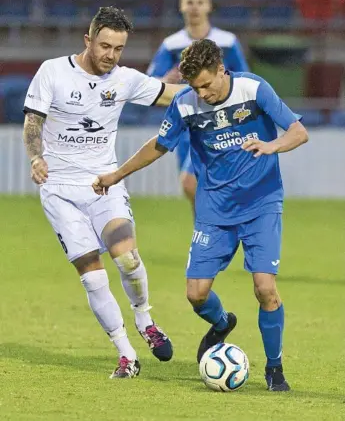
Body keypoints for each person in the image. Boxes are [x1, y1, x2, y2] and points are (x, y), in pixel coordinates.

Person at [92, 39, 309, 391]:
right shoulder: (185, 103)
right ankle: (222, 323)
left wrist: (271, 145)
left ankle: (274, 369)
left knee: (265, 288)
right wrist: (116, 174)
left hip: (261, 203)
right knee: (196, 294)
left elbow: (299, 132)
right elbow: (159, 146)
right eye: (195, 86)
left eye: (207, 84)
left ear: (222, 70)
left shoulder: (254, 89)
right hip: (214, 210)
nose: (202, 93)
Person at [22, 7, 183, 379]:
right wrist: (35, 158)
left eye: (119, 48)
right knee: (93, 277)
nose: (111, 55)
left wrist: (218, 85)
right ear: (88, 41)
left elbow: (167, 94)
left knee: (126, 258)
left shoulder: (124, 79)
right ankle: (126, 354)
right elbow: (33, 122)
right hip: (59, 190)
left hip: (103, 183)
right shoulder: (53, 72)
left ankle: (145, 320)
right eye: (105, 45)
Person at [147, 0, 249, 207]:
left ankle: (220, 229)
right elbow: (150, 86)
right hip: (185, 124)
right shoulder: (171, 44)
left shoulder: (227, 42)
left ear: (209, 6)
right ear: (181, 6)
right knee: (195, 191)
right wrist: (166, 80)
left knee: (191, 183)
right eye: (189, 2)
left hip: (220, 122)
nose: (194, 7)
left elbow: (245, 80)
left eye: (199, 2)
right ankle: (210, 235)